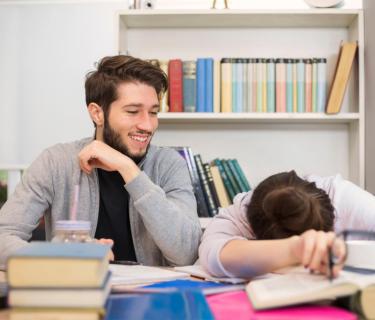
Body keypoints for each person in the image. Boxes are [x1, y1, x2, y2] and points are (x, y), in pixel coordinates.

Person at [0, 55, 202, 268]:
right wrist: (66, 255)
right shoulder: (56, 162)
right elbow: (3, 237)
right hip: (79, 296)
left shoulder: (169, 165)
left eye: (153, 112)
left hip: (153, 297)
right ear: (97, 113)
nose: (148, 125)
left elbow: (186, 253)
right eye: (133, 112)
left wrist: (128, 169)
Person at [199, 170, 375, 279]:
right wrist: (295, 249)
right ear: (253, 231)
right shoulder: (238, 217)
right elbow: (214, 257)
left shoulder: (343, 197)